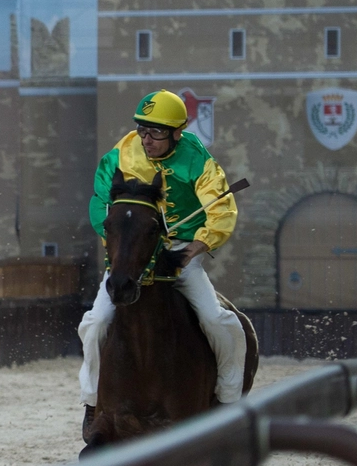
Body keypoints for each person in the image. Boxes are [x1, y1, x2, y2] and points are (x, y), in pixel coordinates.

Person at [79, 90, 246, 433]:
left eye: (155, 132)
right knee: (95, 323)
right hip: (133, 252)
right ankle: (93, 403)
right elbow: (100, 204)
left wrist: (198, 245)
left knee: (220, 322)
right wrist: (120, 245)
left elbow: (219, 207)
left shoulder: (197, 159)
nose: (146, 139)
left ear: (177, 133)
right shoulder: (119, 156)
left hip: (180, 254)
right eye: (142, 130)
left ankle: (229, 402)